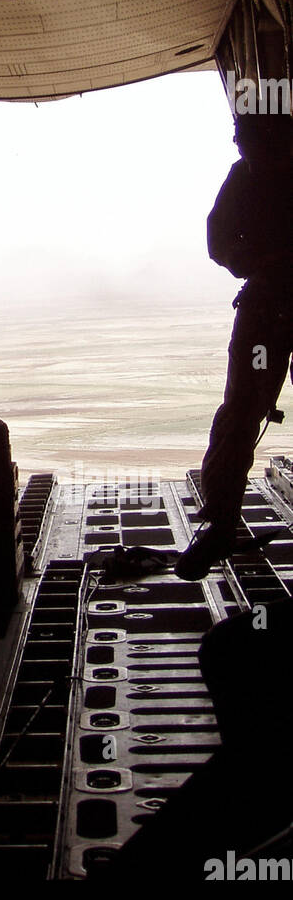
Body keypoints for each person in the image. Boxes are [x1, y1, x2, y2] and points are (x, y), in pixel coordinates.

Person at [176, 110, 293, 579]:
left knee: (240, 411)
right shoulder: (243, 175)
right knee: (240, 411)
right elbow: (218, 238)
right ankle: (222, 521)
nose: (242, 151)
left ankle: (222, 522)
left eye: (247, 143)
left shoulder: (249, 175)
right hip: (267, 299)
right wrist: (257, 262)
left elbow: (220, 237)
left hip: (267, 299)